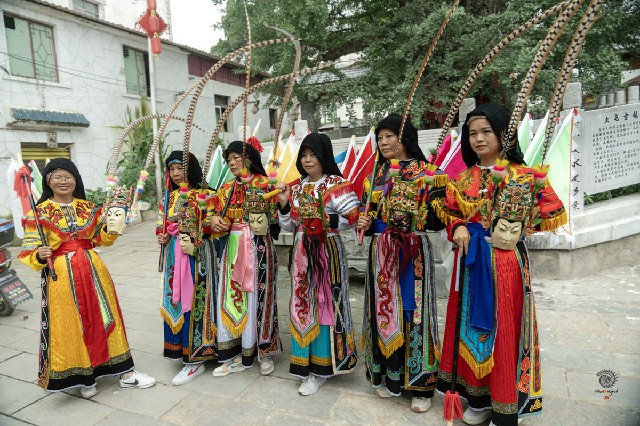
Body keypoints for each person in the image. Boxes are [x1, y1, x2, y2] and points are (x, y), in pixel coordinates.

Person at [433, 103, 566, 426]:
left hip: (506, 264)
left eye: (486, 132)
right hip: (470, 263)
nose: (478, 139)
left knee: (504, 327)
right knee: (471, 329)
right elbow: (449, 211)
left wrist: (522, 225)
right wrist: (458, 227)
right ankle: (477, 398)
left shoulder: (525, 176)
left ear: (504, 134)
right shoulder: (463, 178)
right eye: (472, 133)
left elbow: (553, 210)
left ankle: (505, 404)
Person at [19, 158, 155, 397]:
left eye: (68, 176)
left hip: (93, 270)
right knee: (70, 323)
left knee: (107, 316)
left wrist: (113, 226)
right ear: (48, 181)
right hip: (61, 276)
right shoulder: (38, 213)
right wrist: (39, 255)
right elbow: (28, 251)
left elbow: (102, 238)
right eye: (57, 176)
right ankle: (84, 378)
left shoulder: (90, 208)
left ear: (76, 180)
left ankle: (125, 373)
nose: (63, 181)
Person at [357, 114, 447, 413]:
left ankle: (420, 384)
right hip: (382, 252)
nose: (383, 142)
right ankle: (388, 376)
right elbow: (369, 217)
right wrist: (365, 222)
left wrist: (419, 212)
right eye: (379, 138)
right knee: (384, 311)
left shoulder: (430, 173)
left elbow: (438, 222)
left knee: (413, 312)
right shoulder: (376, 176)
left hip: (413, 252)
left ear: (404, 137)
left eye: (389, 136)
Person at [276, 133, 359, 396]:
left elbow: (352, 219)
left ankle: (323, 368)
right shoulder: (296, 187)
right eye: (304, 155)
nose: (308, 159)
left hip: (327, 250)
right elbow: (289, 225)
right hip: (301, 253)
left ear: (324, 156)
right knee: (303, 303)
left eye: (313, 154)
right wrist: (284, 204)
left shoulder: (337, 184)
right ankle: (304, 363)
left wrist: (324, 220)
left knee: (326, 303)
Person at [209, 140, 282, 377]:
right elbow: (215, 215)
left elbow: (276, 220)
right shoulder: (225, 189)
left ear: (248, 158)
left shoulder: (266, 184)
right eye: (228, 159)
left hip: (259, 247)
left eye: (236, 158)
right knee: (233, 296)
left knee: (259, 297)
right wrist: (215, 221)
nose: (231, 163)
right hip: (233, 248)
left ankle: (264, 351)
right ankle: (233, 353)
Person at [157, 151, 218, 385]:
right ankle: (181, 349)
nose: (175, 173)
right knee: (177, 299)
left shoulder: (207, 195)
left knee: (196, 300)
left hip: (198, 255)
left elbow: (214, 228)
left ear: (190, 168)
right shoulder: (169, 198)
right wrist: (163, 236)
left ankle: (196, 358)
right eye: (171, 169)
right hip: (175, 255)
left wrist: (200, 234)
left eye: (179, 168)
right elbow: (162, 225)